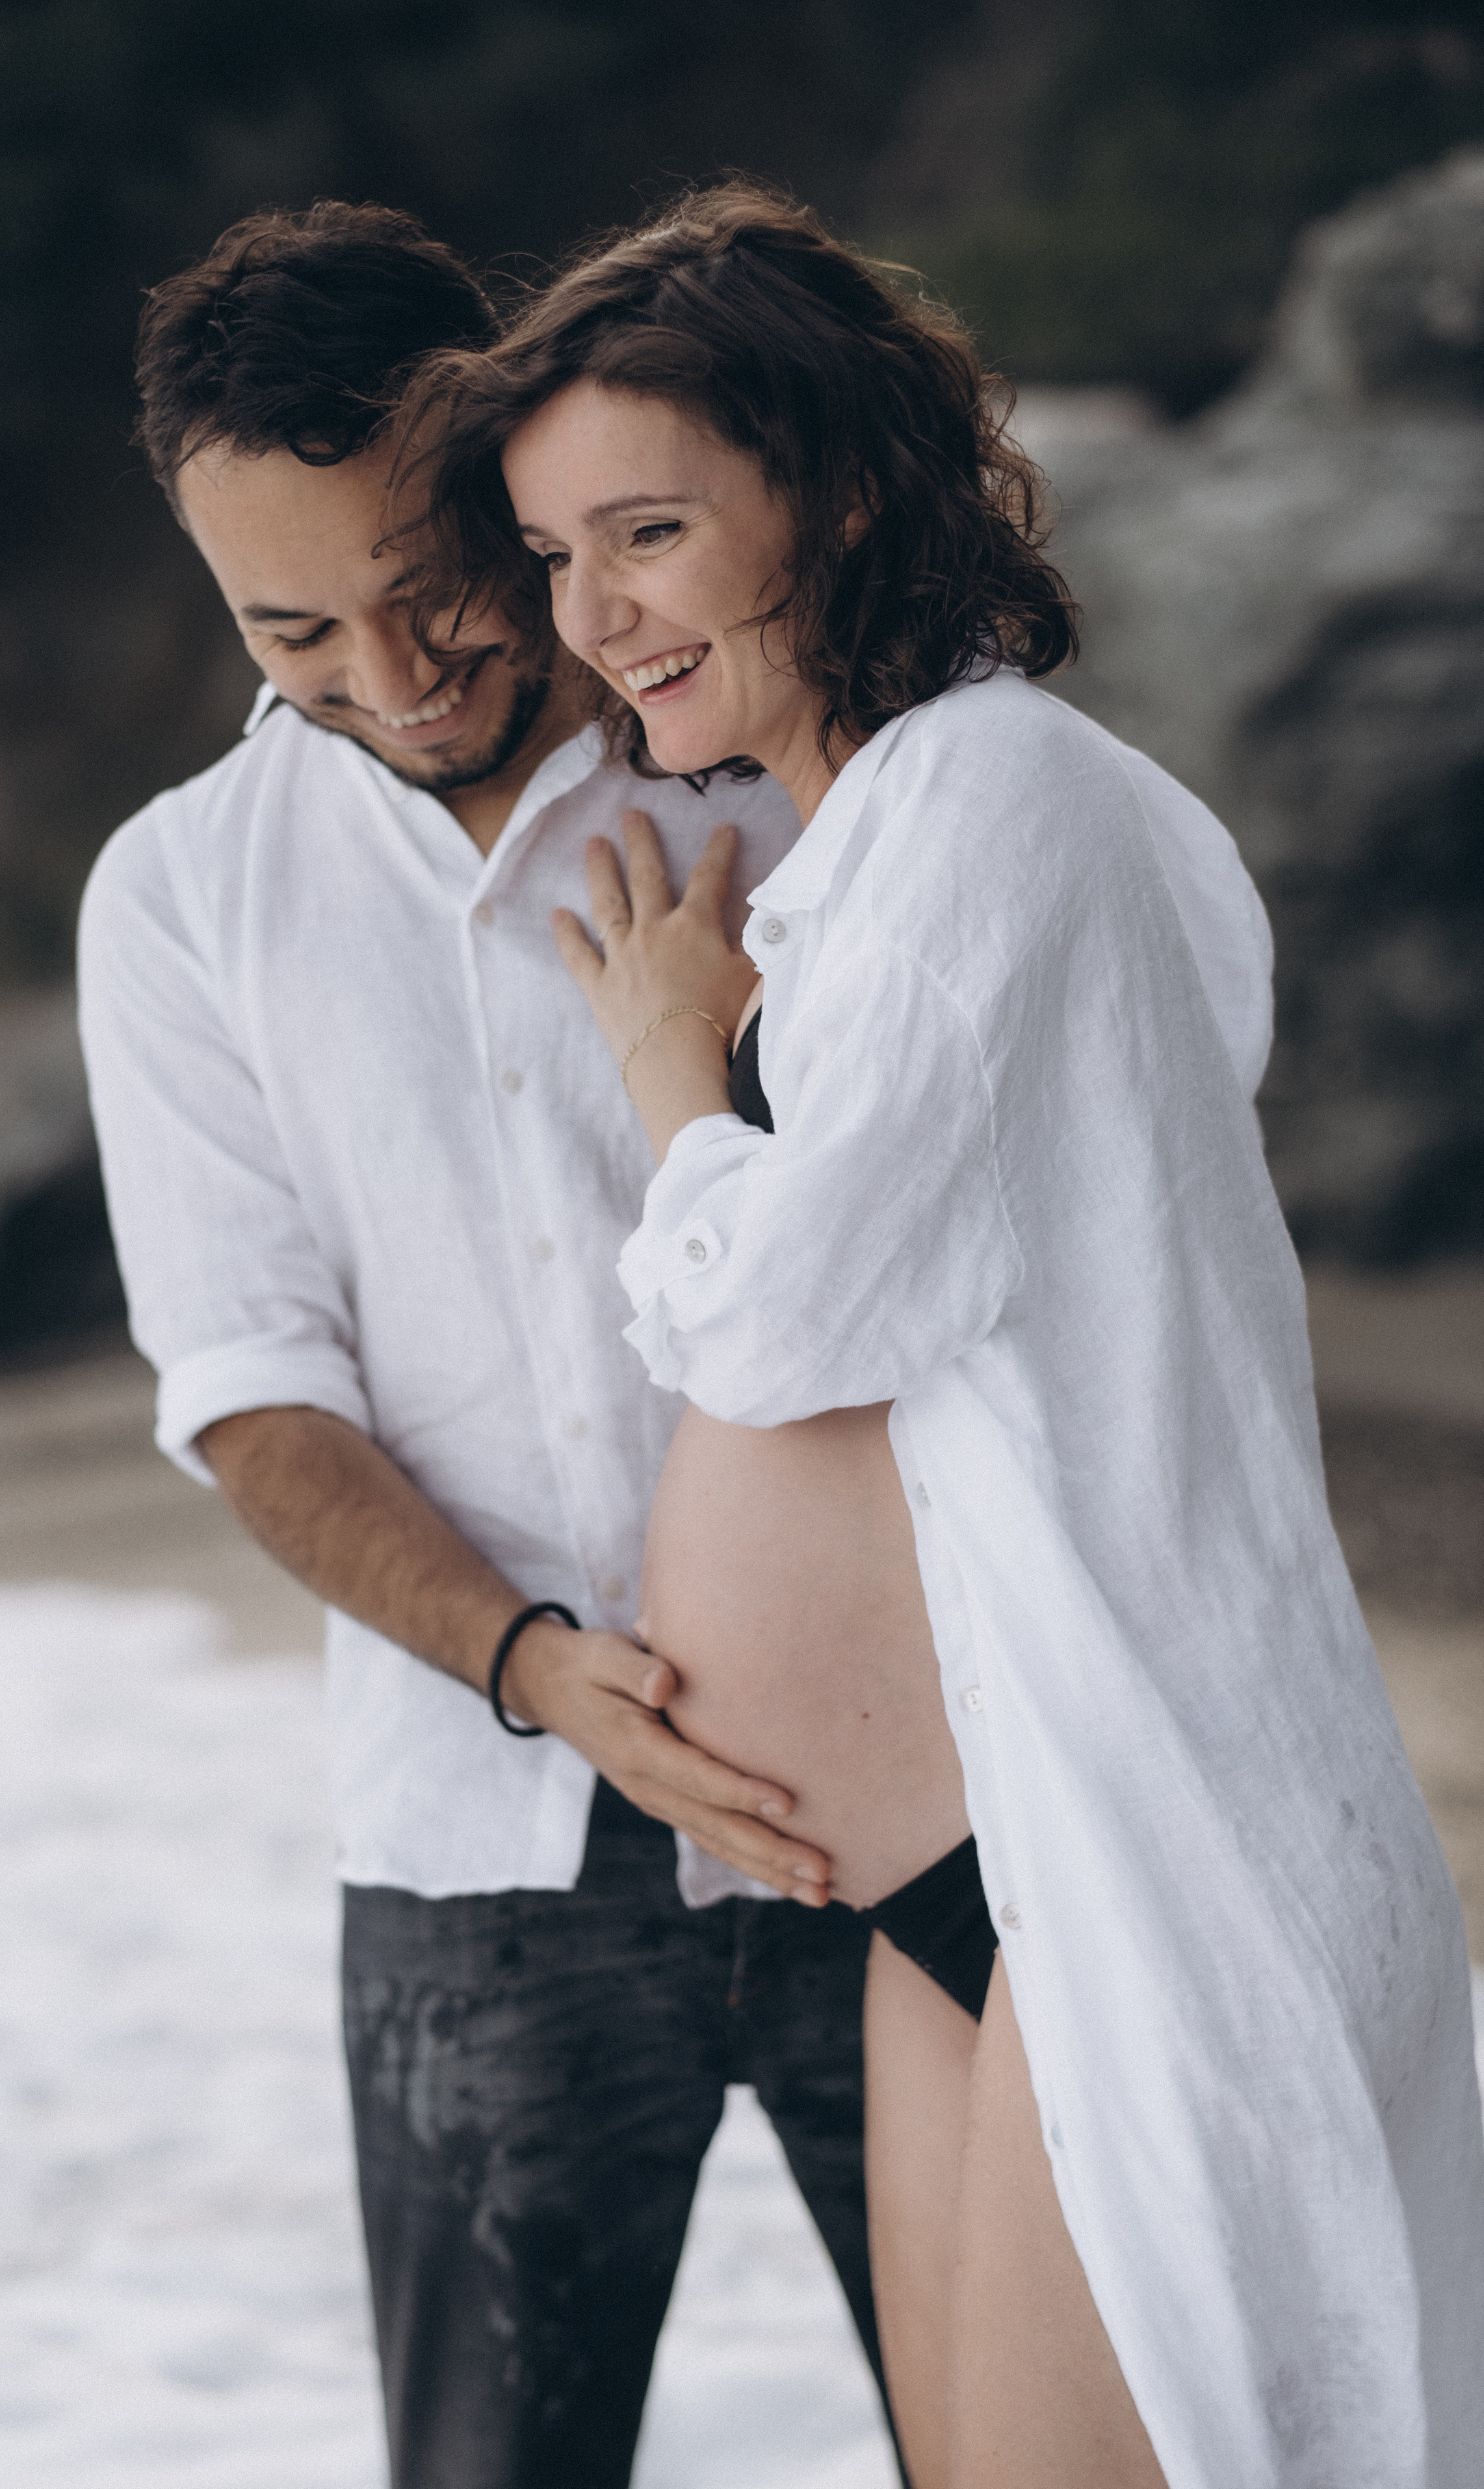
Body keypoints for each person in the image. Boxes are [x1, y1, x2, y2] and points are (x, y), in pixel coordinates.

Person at [406, 181, 1484, 2486]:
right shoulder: (896, 836)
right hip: (970, 1861)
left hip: (1131, 1861)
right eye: (559, 555)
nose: (598, 616)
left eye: (654, 531)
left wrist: (676, 1071)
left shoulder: (994, 800)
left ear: (845, 478)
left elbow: (784, 1316)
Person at [77, 199, 902, 2489]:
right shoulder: (178, 896)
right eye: (291, 624)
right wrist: (537, 1666)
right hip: (483, 1847)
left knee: (1040, 2437)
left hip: (912, 1795)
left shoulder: (775, 769)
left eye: (434, 576)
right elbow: (248, 1387)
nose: (394, 664)